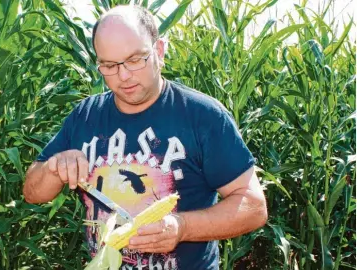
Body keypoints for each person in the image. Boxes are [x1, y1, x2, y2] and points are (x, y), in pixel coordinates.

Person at [23, 5, 267, 269]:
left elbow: (253, 207)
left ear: (159, 51)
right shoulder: (85, 116)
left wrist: (182, 227)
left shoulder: (203, 116)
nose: (124, 75)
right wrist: (55, 167)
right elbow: (32, 193)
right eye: (109, 65)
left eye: (135, 59)